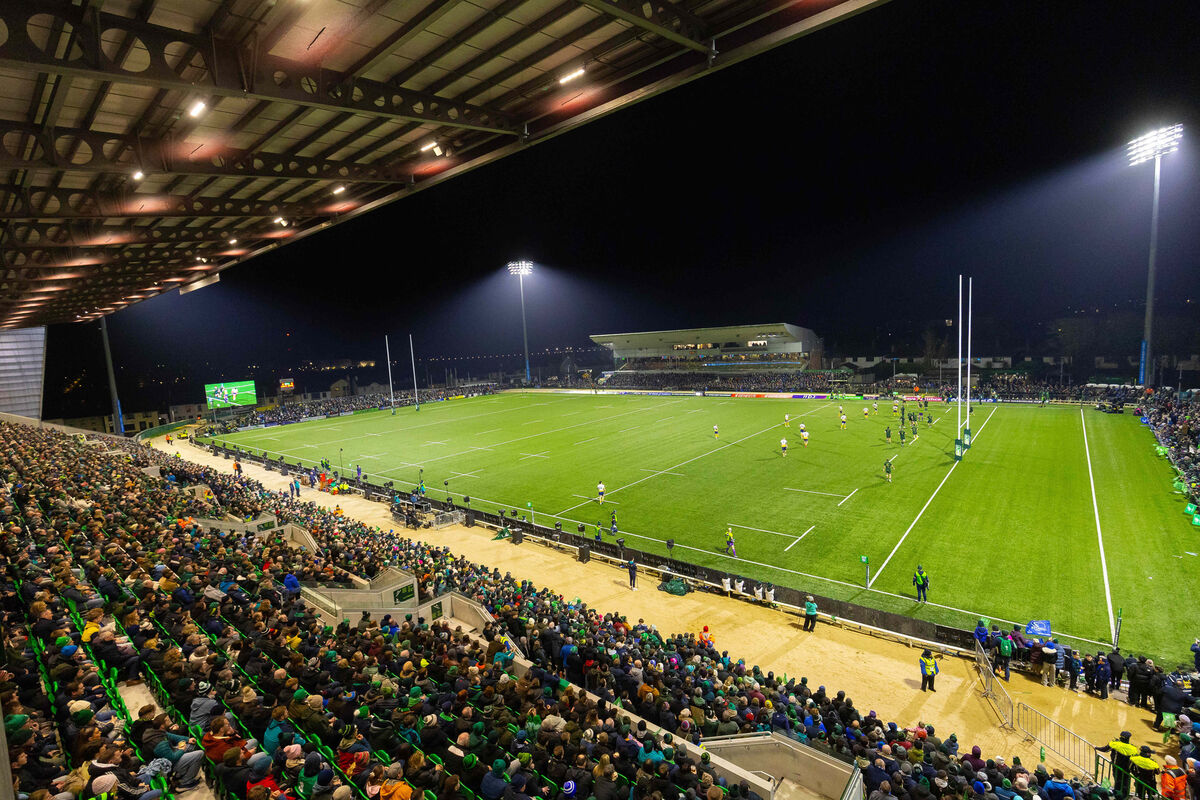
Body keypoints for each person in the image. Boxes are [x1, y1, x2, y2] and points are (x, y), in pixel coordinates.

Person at [1096, 731, 1138, 798]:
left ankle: (1117, 795)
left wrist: (1096, 747)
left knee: (1118, 781)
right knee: (1125, 783)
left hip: (1116, 767)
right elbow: (1135, 761)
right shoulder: (1133, 749)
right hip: (1126, 769)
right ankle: (1124, 796)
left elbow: (1105, 749)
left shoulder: (1115, 744)